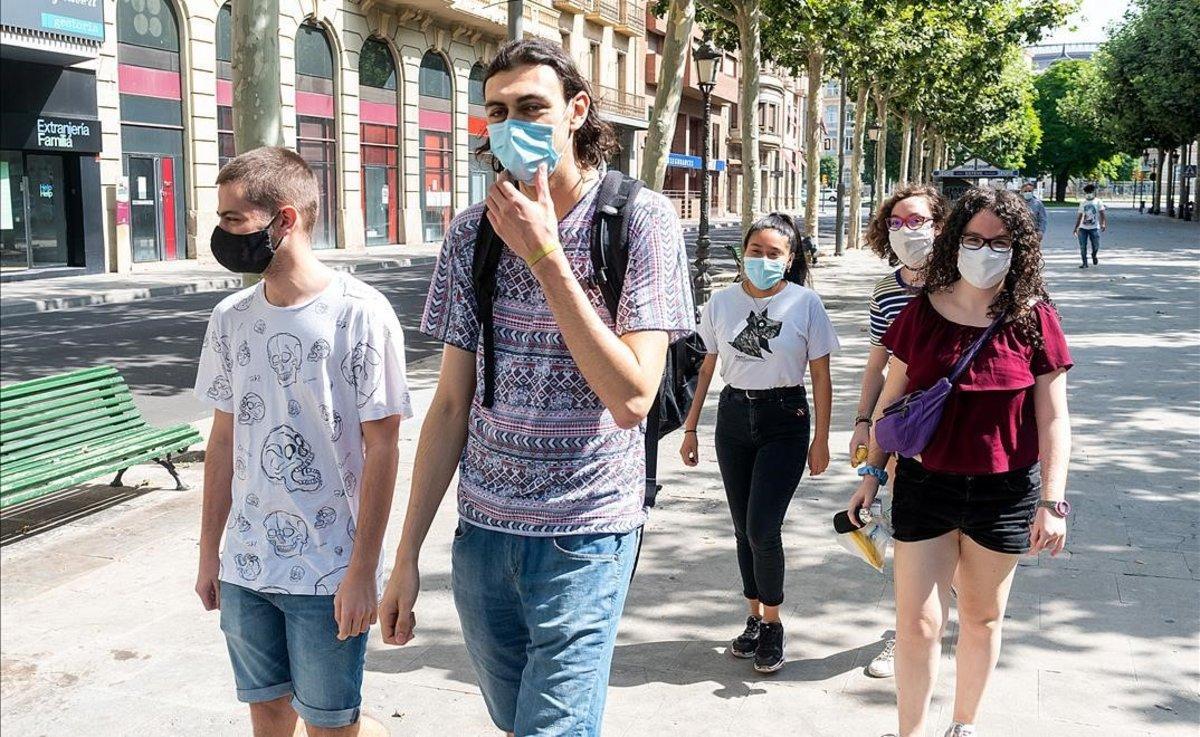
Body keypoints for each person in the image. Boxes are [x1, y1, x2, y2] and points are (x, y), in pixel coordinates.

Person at [377, 39, 693, 737]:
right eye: (497, 111)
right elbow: (452, 404)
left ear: (577, 111)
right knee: (515, 719)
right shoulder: (470, 235)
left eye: (532, 108)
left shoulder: (640, 221)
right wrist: (404, 558)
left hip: (587, 534)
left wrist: (546, 253)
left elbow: (633, 396)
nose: (512, 125)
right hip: (482, 536)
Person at [193, 147, 412, 736]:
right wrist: (209, 550)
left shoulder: (360, 314)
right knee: (266, 713)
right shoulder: (230, 317)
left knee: (330, 725)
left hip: (328, 571)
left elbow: (383, 450)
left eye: (234, 220)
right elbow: (222, 441)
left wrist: (364, 570)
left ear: (283, 219)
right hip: (246, 566)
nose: (222, 233)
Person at [849, 187, 1072, 737]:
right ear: (954, 241)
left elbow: (1054, 419)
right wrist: (872, 476)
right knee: (918, 623)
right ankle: (910, 731)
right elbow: (891, 401)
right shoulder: (921, 312)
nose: (984, 250)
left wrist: (1052, 501)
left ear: (1019, 248)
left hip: (1005, 493)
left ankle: (963, 724)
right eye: (973, 238)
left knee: (981, 617)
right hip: (926, 485)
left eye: (998, 241)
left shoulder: (1034, 318)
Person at [679, 213, 837, 674]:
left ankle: (773, 624)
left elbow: (821, 377)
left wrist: (822, 439)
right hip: (733, 419)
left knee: (762, 528)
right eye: (755, 251)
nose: (763, 260)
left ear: (789, 261)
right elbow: (705, 368)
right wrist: (690, 428)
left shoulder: (805, 303)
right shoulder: (720, 303)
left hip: (785, 420)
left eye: (774, 254)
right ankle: (753, 617)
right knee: (741, 527)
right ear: (742, 254)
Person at [851, 184, 949, 679]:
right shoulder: (887, 291)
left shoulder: (961, 282)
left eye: (916, 221)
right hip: (905, 428)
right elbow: (877, 366)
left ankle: (942, 617)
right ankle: (905, 631)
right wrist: (863, 424)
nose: (905, 230)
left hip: (958, 430)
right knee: (906, 532)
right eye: (895, 222)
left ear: (940, 225)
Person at [1073, 183, 1107, 268]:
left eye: (1090, 192)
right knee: (1082, 246)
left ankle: (1094, 254)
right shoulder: (1083, 203)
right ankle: (1085, 263)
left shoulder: (1098, 202)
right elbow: (1080, 216)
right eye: (1086, 192)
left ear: (1093, 192)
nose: (1088, 194)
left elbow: (1102, 213)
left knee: (1096, 245)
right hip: (1083, 228)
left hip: (1094, 228)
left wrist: (1103, 223)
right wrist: (1076, 228)